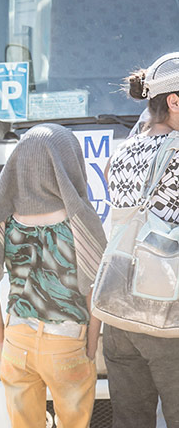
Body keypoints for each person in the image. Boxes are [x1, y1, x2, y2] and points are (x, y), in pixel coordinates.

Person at [0, 124, 107, 428]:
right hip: (68, 343)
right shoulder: (80, 221)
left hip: (18, 340)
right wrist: (91, 347)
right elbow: (97, 290)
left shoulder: (3, 220)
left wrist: (4, 342)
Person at [102, 53, 179, 427]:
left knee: (130, 420)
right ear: (174, 100)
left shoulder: (120, 152)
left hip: (119, 310)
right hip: (167, 311)